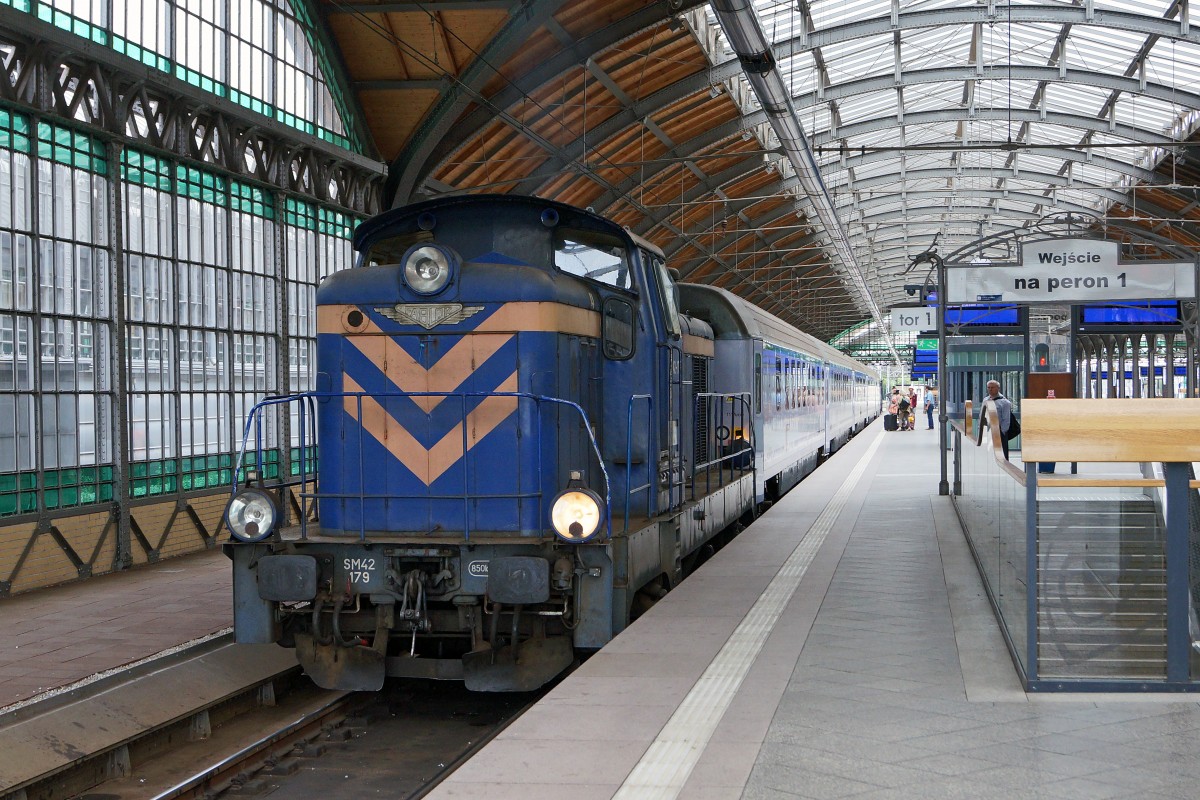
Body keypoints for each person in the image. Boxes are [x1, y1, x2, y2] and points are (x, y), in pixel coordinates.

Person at [976, 379, 1013, 459]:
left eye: (992, 387)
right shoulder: (985, 400)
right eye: (988, 387)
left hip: (999, 432)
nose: (990, 389)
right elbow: (981, 415)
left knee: (1002, 454)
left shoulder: (1005, 402)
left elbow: (1006, 419)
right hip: (987, 430)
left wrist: (1002, 433)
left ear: (998, 388)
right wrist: (981, 428)